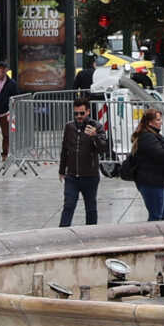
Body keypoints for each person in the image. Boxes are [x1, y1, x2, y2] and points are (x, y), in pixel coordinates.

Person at [58, 94, 109, 227]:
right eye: (76, 114)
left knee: (90, 208)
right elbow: (65, 149)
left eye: (82, 113)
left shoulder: (97, 127)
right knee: (68, 205)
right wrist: (62, 170)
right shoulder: (69, 127)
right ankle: (62, 232)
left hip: (90, 175)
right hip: (72, 176)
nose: (79, 116)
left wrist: (94, 136)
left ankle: (91, 233)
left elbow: (103, 148)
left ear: (88, 111)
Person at [128, 108, 164, 220]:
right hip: (150, 181)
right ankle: (152, 236)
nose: (161, 121)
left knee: (163, 213)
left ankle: (155, 235)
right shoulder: (147, 136)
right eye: (158, 120)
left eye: (160, 119)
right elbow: (160, 155)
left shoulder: (153, 134)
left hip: (157, 180)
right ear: (149, 122)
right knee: (156, 215)